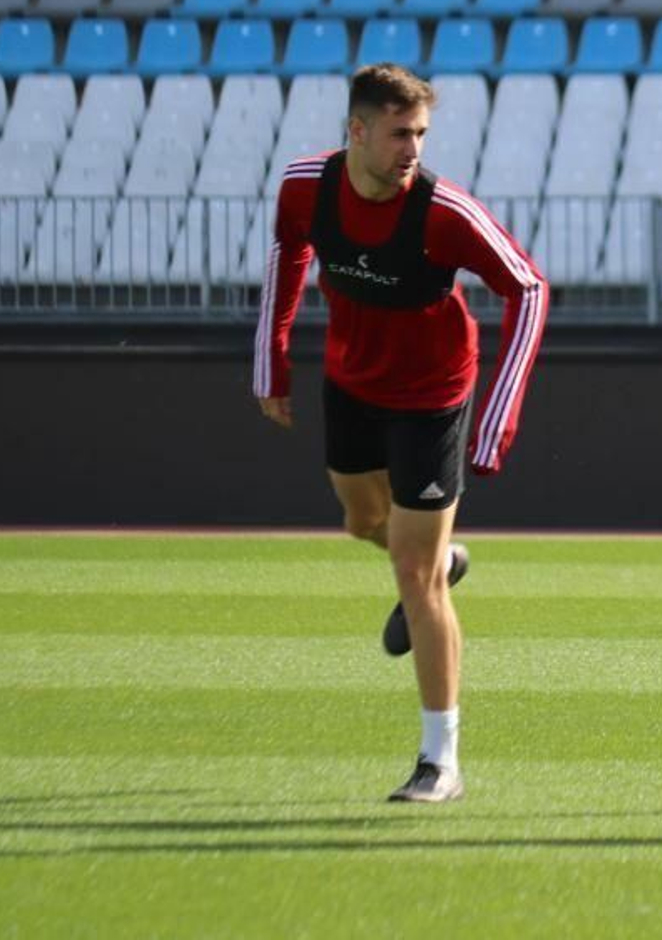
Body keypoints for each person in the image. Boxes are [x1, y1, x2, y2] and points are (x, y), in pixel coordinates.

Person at [253, 64, 549, 803]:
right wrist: (273, 356)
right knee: (361, 522)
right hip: (351, 382)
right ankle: (441, 559)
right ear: (356, 132)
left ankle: (439, 761)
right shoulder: (305, 186)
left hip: (431, 397)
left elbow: (530, 287)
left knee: (411, 577)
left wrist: (497, 417)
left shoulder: (444, 211)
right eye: (397, 134)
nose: (412, 148)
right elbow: (289, 251)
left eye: (419, 133)